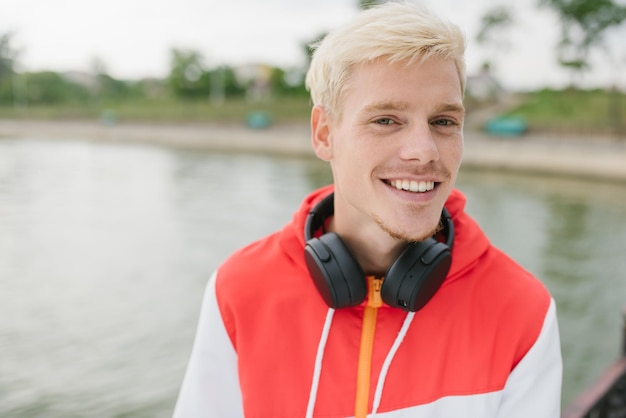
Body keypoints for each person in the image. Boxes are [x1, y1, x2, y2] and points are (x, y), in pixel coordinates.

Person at [172, 2, 563, 417]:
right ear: (325, 134)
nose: (424, 152)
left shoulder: (522, 310)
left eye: (443, 122)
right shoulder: (238, 290)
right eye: (386, 120)